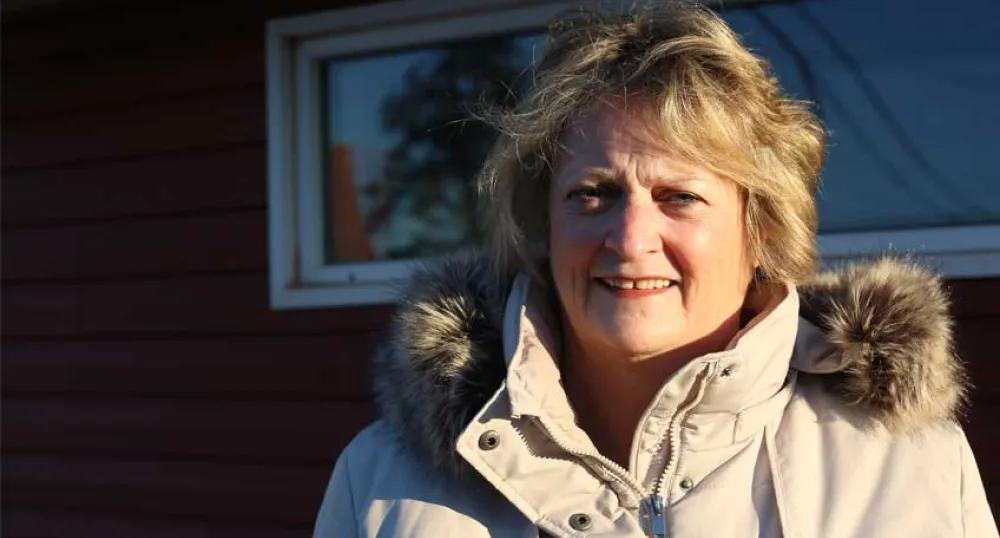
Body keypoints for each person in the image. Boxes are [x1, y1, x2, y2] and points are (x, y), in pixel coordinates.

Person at [313, 3, 998, 537]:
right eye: (593, 194)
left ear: (760, 230)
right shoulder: (381, 481)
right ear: (542, 226)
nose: (631, 236)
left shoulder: (909, 466)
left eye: (680, 197)